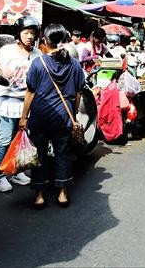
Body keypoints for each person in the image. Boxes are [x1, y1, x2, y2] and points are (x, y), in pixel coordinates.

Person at [19, 24, 85, 209]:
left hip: (40, 117)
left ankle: (39, 195)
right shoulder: (74, 64)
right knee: (63, 153)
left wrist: (24, 117)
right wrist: (74, 113)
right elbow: (78, 92)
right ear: (63, 40)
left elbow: (30, 92)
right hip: (64, 117)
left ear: (45, 42)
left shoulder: (38, 63)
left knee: (39, 154)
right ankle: (62, 193)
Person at [0, 16, 42, 193]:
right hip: (8, 101)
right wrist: (2, 70)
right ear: (18, 34)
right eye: (26, 33)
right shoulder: (7, 51)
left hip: (27, 102)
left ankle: (17, 171)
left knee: (21, 139)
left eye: (33, 34)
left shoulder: (37, 54)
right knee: (4, 140)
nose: (29, 37)